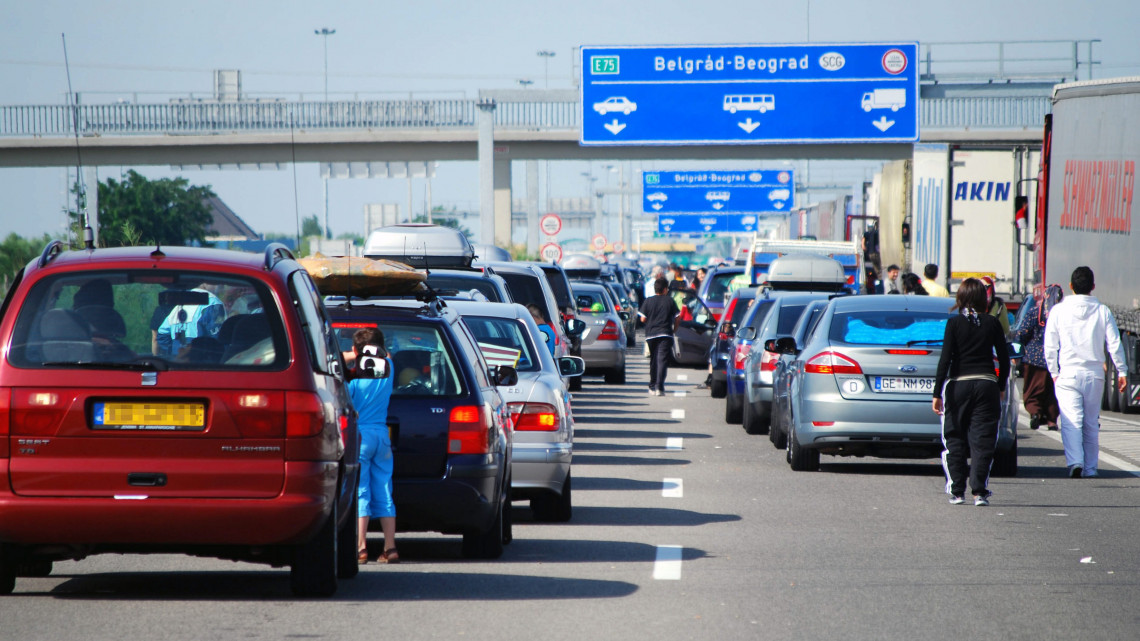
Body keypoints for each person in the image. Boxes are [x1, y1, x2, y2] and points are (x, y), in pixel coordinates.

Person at [1044, 266, 1128, 479]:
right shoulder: (1102, 311)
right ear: (1093, 287)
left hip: (1068, 373)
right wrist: (1122, 371)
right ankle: (1091, 468)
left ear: (1070, 286)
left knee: (1071, 420)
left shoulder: (1058, 311)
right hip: (1094, 374)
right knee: (1091, 422)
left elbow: (1050, 344)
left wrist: (1054, 371)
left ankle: (1075, 462)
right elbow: (1114, 343)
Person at [933, 278, 1010, 506]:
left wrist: (937, 393)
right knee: (983, 440)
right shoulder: (992, 323)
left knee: (954, 437)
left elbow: (945, 360)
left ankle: (957, 491)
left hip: (958, 385)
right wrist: (1002, 385)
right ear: (983, 299)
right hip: (986, 385)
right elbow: (1004, 360)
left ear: (961, 298)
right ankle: (979, 491)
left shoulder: (954, 324)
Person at [347, 327, 399, 563]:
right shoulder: (388, 369)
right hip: (382, 434)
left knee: (361, 491)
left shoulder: (355, 375)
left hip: (360, 435)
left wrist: (352, 355)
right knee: (385, 490)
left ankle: (360, 547)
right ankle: (390, 548)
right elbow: (387, 356)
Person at [1013, 284, 1063, 430]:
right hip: (1056, 358)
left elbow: (1022, 333)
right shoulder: (1062, 315)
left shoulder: (1035, 312)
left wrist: (1017, 351)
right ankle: (1052, 420)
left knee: (1033, 391)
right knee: (1053, 393)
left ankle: (1035, 413)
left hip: (1034, 358)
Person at [638, 277, 680, 397]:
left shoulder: (648, 301)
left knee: (653, 360)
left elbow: (642, 318)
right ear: (666, 289)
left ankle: (652, 385)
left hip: (651, 335)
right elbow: (678, 317)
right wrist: (674, 329)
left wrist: (651, 324)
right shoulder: (670, 301)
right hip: (665, 334)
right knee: (662, 360)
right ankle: (659, 387)